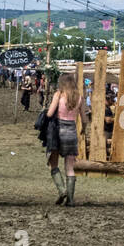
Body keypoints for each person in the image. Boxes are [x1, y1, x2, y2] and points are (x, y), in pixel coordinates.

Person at [44, 72, 85, 206]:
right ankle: (71, 200)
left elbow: (50, 113)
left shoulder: (59, 95)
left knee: (53, 163)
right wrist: (83, 129)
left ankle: (62, 190)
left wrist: (44, 112)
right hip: (71, 132)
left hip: (57, 132)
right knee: (70, 167)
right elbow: (85, 119)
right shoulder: (79, 98)